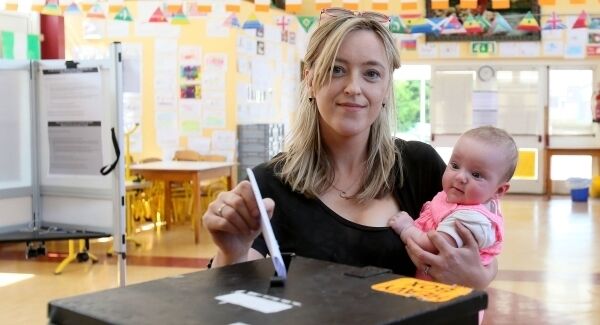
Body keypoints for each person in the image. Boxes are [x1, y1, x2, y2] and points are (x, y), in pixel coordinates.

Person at [202, 7, 497, 289]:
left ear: (385, 88)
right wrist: (232, 251)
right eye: (336, 69)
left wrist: (478, 277)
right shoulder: (270, 183)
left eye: (371, 74)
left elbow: (484, 253)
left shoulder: (419, 166)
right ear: (310, 78)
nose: (353, 87)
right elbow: (234, 295)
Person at [389, 126, 518, 280]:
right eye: (455, 166)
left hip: (441, 291)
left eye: (476, 175)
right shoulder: (460, 199)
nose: (460, 177)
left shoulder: (471, 218)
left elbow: (433, 245)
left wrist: (406, 228)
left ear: (499, 190)